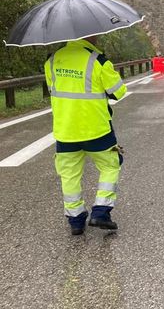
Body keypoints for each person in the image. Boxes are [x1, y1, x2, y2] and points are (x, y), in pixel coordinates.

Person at [44, 36, 127, 235]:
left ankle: (75, 220)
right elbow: (118, 92)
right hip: (96, 129)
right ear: (91, 35)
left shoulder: (52, 60)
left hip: (65, 130)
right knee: (110, 165)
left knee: (69, 175)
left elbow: (52, 89)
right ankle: (101, 211)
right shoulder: (98, 60)